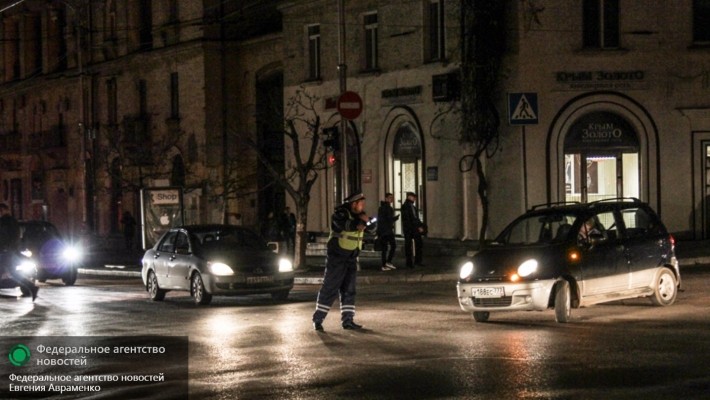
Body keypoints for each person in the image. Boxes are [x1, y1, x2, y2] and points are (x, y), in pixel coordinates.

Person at [312, 192, 376, 332]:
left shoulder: (361, 215)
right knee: (330, 287)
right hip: (337, 256)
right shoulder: (340, 214)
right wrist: (361, 223)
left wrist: (368, 221)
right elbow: (347, 225)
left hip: (351, 256)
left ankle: (348, 320)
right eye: (361, 204)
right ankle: (318, 319)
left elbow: (373, 228)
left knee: (349, 290)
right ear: (354, 204)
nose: (363, 206)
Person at [0, 203, 37, 301]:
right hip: (9, 251)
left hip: (6, 251)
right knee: (12, 272)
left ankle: (32, 287)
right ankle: (32, 287)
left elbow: (5, 237)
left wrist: (6, 247)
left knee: (11, 271)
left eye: (1, 211)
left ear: (4, 210)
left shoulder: (6, 222)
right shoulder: (11, 221)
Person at [402, 192, 425, 269]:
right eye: (413, 197)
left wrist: (419, 226)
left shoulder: (412, 207)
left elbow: (415, 218)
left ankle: (416, 261)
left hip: (412, 228)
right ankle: (410, 262)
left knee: (417, 244)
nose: (414, 199)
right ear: (409, 197)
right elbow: (410, 219)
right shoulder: (406, 206)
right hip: (410, 229)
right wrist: (417, 226)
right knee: (409, 246)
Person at [377, 193, 398, 271]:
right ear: (386, 198)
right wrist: (394, 218)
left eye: (392, 197)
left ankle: (385, 264)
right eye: (390, 197)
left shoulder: (382, 207)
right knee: (392, 246)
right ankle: (387, 263)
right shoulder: (387, 208)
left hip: (384, 230)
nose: (391, 199)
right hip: (387, 230)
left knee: (385, 248)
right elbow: (388, 219)